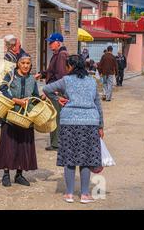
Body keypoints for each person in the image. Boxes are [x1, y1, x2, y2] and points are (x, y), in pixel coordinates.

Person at [43, 54, 104, 204]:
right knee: (86, 159)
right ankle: (84, 194)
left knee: (70, 159)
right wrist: (101, 126)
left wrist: (58, 99)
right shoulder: (91, 81)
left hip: (69, 122)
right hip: (90, 122)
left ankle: (69, 194)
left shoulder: (66, 80)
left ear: (70, 67)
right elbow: (98, 104)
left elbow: (46, 89)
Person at [0, 52, 39, 187]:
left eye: (28, 63)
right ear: (18, 64)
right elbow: (2, 89)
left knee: (23, 146)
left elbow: (35, 96)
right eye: (23, 63)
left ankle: (19, 175)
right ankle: (6, 174)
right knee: (8, 146)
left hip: (25, 118)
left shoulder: (32, 80)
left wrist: (41, 100)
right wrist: (15, 100)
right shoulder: (10, 76)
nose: (26, 66)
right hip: (10, 116)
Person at [35, 33, 68, 151]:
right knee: (55, 116)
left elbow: (60, 76)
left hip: (57, 92)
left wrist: (53, 91)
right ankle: (56, 142)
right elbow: (51, 71)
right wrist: (42, 74)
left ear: (58, 42)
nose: (49, 45)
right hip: (54, 90)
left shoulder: (61, 55)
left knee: (56, 117)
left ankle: (57, 144)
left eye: (51, 42)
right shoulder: (56, 54)